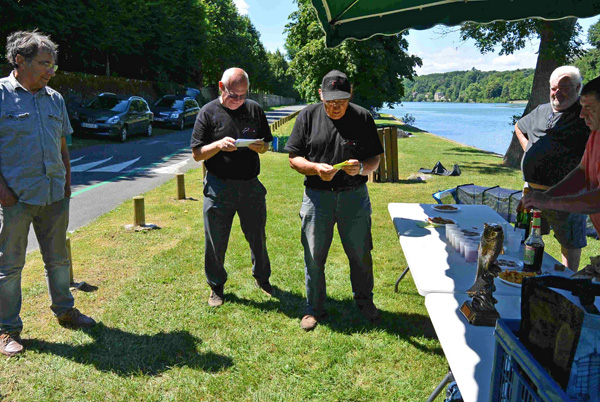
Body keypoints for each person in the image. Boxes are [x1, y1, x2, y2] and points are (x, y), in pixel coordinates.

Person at [0, 30, 96, 357]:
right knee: (9, 267)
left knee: (58, 260)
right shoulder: (0, 95)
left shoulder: (55, 98)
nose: (50, 71)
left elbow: (63, 144)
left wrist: (67, 182)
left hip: (54, 194)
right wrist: (4, 193)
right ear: (19, 60)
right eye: (44, 64)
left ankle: (66, 310)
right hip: (14, 198)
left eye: (53, 65)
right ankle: (6, 329)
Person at [284, 70, 384, 331]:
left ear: (350, 95)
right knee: (314, 256)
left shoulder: (362, 116)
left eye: (341, 101)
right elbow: (294, 158)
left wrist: (361, 167)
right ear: (320, 95)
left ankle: (365, 302)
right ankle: (314, 308)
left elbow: (375, 159)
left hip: (354, 197)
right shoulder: (308, 115)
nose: (336, 106)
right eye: (330, 101)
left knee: (361, 253)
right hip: (317, 198)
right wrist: (316, 168)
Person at [191, 67, 273, 307]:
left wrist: (262, 147)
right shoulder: (207, 113)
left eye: (243, 95)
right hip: (218, 186)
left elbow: (267, 143)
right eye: (233, 95)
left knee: (257, 235)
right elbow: (197, 154)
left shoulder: (255, 109)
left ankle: (262, 278)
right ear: (220, 87)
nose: (239, 100)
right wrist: (217, 145)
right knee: (216, 240)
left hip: (250, 185)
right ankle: (216, 286)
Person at [514, 66, 590, 271]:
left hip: (566, 193)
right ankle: (527, 272)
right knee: (528, 237)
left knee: (570, 242)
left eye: (564, 88)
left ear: (578, 87)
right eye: (554, 88)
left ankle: (568, 279)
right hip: (531, 191)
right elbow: (519, 127)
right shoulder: (541, 110)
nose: (557, 93)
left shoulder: (584, 115)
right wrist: (529, 150)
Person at [521, 75, 600, 240]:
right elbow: (581, 173)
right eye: (582, 106)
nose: (581, 114)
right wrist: (546, 196)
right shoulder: (595, 135)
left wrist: (548, 202)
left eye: (590, 107)